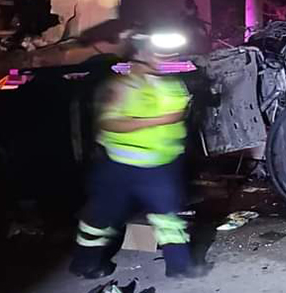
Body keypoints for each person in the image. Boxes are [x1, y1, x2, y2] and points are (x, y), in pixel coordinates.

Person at [69, 28, 209, 279]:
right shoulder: (122, 86)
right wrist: (157, 120)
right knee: (100, 218)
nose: (165, 59)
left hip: (160, 166)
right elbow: (109, 123)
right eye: (159, 54)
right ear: (140, 54)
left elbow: (181, 114)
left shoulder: (171, 84)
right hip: (118, 165)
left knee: (168, 218)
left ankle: (180, 266)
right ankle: (85, 263)